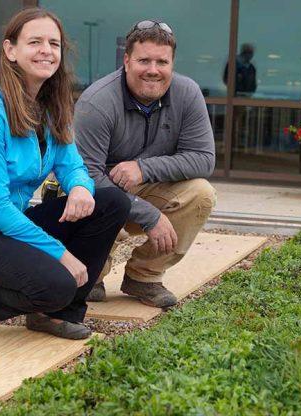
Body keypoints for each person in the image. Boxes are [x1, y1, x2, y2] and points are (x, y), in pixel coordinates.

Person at [0, 8, 130, 339]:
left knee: (111, 202)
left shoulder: (52, 106)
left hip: (10, 224)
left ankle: (56, 313)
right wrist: (60, 254)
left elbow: (71, 165)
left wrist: (82, 188)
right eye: (35, 42)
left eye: (53, 43)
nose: (46, 50)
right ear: (10, 50)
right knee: (58, 282)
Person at [74, 20, 216, 308]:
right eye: (144, 60)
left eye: (162, 61)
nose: (153, 69)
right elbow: (86, 175)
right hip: (98, 195)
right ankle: (94, 271)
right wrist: (150, 216)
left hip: (146, 188)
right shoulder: (97, 102)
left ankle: (144, 276)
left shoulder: (188, 94)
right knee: (86, 280)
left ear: (172, 64)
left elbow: (204, 159)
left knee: (201, 194)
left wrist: (144, 168)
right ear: (126, 61)